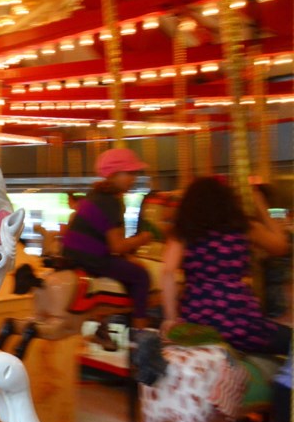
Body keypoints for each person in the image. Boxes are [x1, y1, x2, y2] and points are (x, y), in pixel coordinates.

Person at [160, 176, 291, 354]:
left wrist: (170, 319)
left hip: (198, 321)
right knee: (288, 340)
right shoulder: (244, 227)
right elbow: (281, 246)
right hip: (240, 319)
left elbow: (167, 273)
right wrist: (261, 206)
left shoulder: (183, 231)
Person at [62, 147, 155, 347]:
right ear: (113, 175)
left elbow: (111, 243)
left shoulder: (97, 195)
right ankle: (140, 332)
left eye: (135, 173)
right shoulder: (111, 201)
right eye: (129, 173)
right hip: (91, 258)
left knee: (126, 270)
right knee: (141, 276)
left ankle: (103, 327)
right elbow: (117, 247)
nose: (133, 177)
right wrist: (143, 238)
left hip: (73, 253)